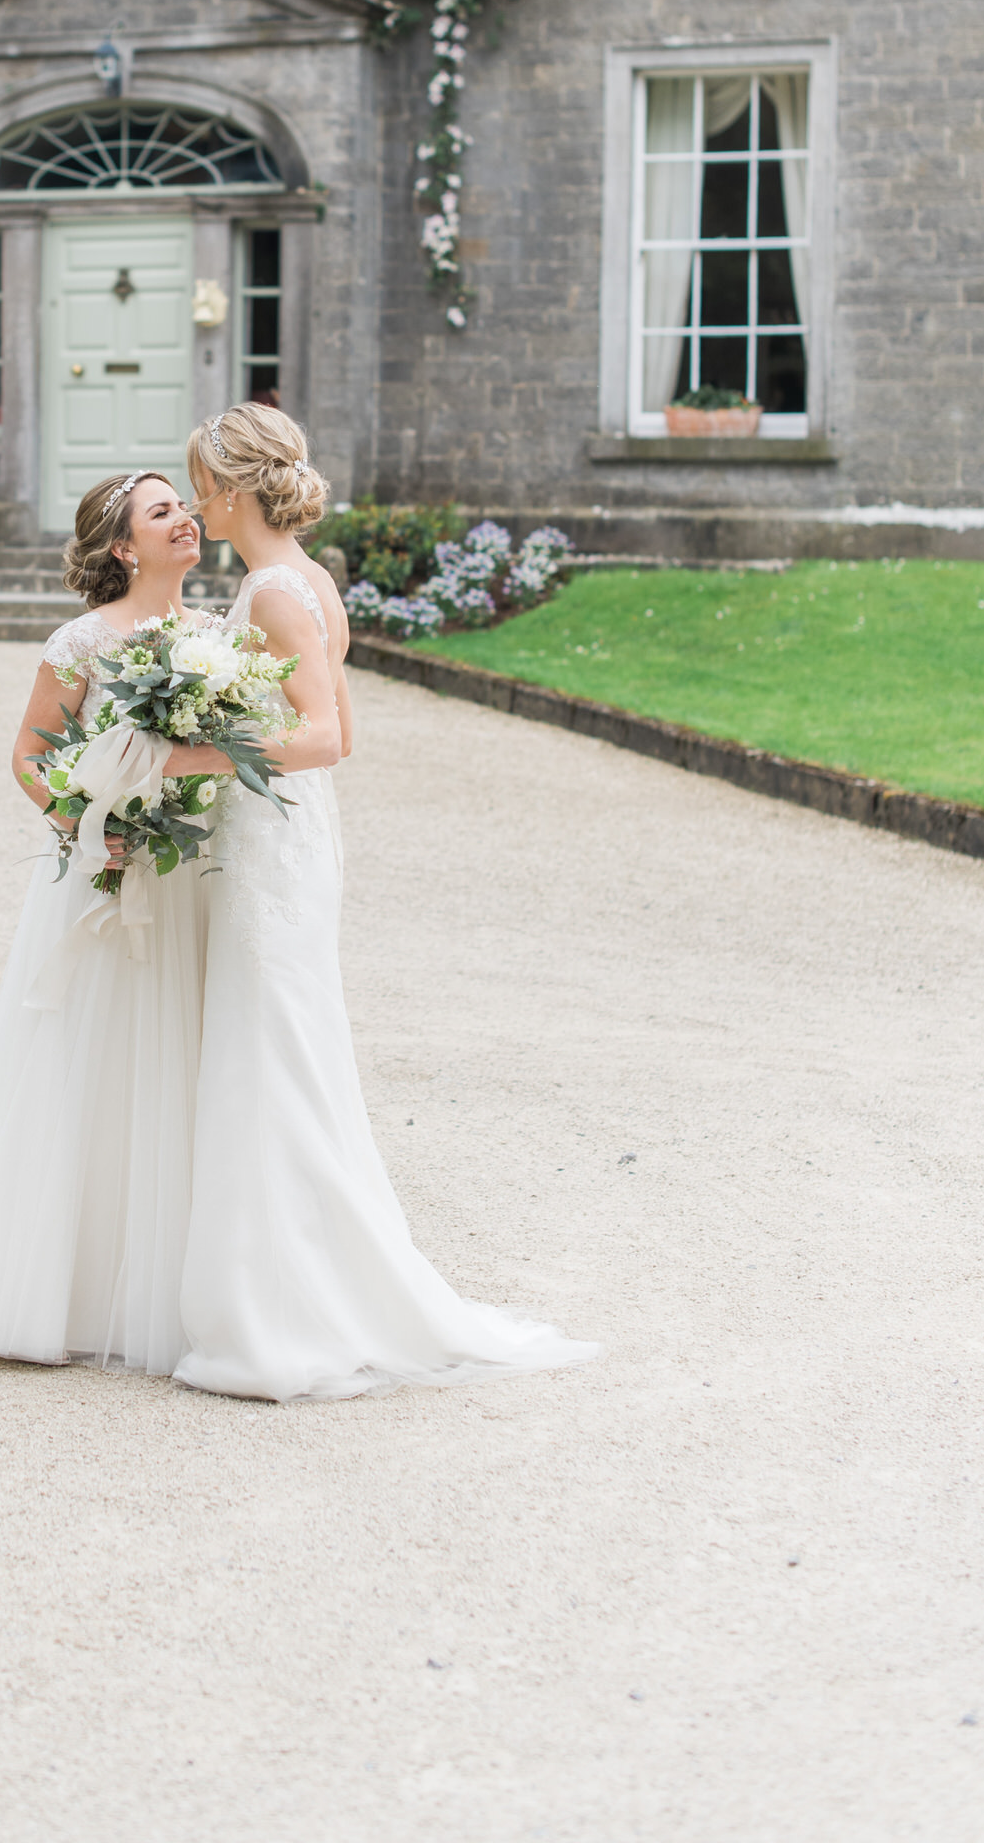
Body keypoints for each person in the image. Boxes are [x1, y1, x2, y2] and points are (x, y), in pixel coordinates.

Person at [166, 402, 600, 1400]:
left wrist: (196, 748)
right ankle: (287, 1288)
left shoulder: (274, 591)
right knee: (279, 1048)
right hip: (285, 837)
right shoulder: (308, 580)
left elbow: (327, 736)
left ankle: (282, 1313)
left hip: (273, 846)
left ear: (231, 489)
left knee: (268, 1054)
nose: (193, 504)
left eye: (200, 484)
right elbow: (336, 721)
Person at [0, 472, 221, 1374]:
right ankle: (55, 1281)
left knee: (178, 1059)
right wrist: (82, 821)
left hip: (186, 876)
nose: (186, 519)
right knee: (86, 1054)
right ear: (124, 548)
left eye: (184, 506)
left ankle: (167, 1279)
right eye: (163, 512)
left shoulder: (220, 640)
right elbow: (30, 753)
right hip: (101, 873)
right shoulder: (82, 642)